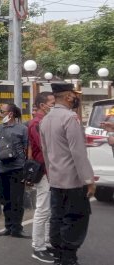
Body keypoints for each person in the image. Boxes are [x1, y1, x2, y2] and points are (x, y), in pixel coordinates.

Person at [40, 83, 95, 265]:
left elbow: (46, 153)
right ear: (68, 97)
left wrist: (51, 174)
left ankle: (59, 256)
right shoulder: (70, 118)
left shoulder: (45, 120)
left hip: (56, 180)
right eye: (74, 95)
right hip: (73, 181)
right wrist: (88, 179)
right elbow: (78, 152)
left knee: (57, 217)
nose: (75, 98)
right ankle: (68, 258)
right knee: (75, 218)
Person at [0, 103, 30, 239]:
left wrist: (28, 169)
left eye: (1, 111)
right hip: (1, 170)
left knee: (17, 200)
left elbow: (27, 150)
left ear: (10, 114)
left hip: (17, 169)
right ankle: (8, 227)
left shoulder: (22, 129)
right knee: (5, 200)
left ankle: (17, 228)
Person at [27, 92, 56, 263]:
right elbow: (45, 146)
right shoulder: (37, 123)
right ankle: (38, 247)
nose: (53, 105)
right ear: (41, 104)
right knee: (42, 210)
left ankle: (45, 242)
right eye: (51, 102)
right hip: (43, 170)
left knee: (49, 210)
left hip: (50, 171)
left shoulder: (44, 121)